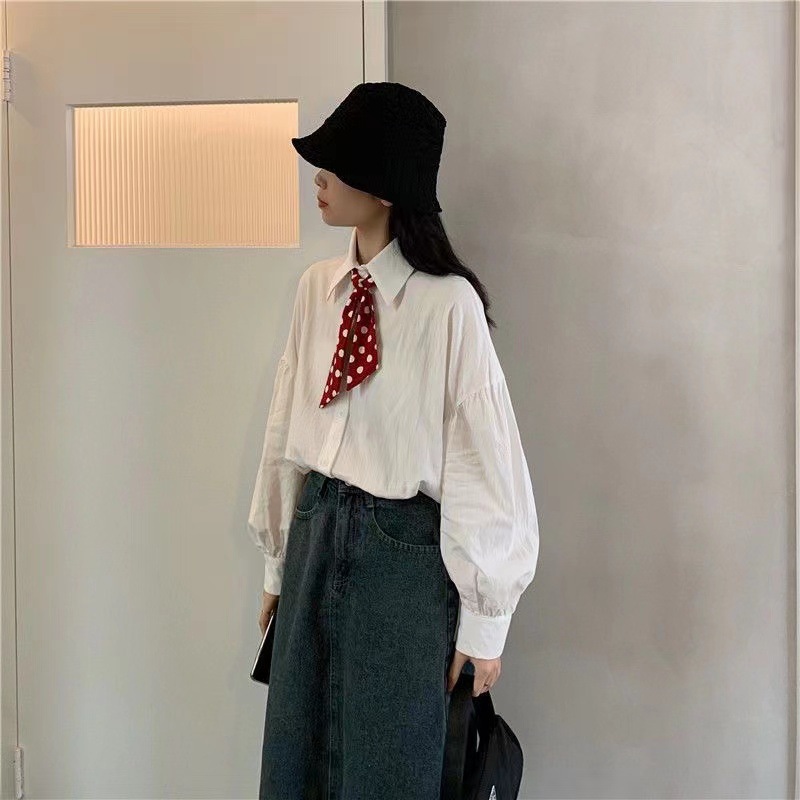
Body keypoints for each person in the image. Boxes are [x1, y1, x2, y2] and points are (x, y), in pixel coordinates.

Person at [247, 81, 540, 800]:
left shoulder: (447, 305)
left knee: (388, 773)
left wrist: (485, 625)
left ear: (383, 187)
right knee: (295, 767)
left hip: (403, 564)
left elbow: (483, 461)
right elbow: (286, 429)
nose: (318, 178)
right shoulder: (317, 290)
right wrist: (278, 563)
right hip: (314, 533)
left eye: (337, 164)